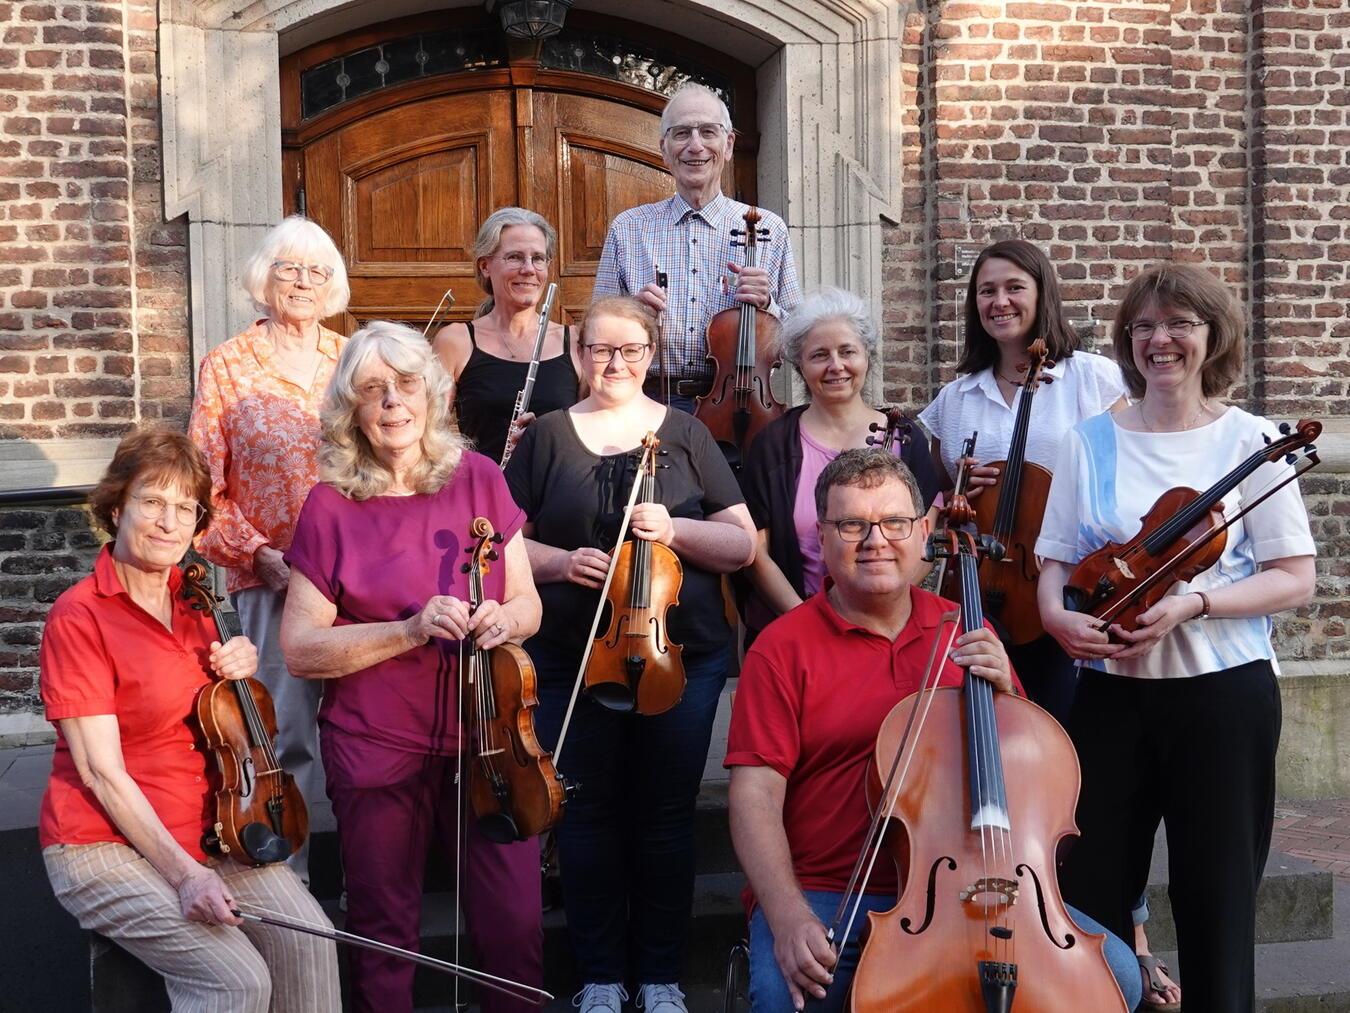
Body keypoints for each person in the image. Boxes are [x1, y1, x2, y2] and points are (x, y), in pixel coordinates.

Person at [726, 448, 1143, 1013]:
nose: (875, 540)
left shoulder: (967, 631)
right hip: (830, 894)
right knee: (785, 1001)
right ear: (822, 538)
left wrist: (1008, 693)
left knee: (1117, 975)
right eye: (851, 524)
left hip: (971, 884)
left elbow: (1030, 773)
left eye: (894, 522)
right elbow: (755, 795)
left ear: (924, 531)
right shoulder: (780, 649)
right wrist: (787, 914)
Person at [1037, 263, 1316, 1012]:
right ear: (1129, 342)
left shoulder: (1252, 442)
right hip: (1110, 700)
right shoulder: (1087, 440)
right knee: (1089, 896)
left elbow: (1295, 577)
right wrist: (1057, 618)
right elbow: (1056, 561)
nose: (1161, 340)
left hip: (1223, 700)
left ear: (1210, 335)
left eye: (1180, 324)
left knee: (1216, 901)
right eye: (1145, 327)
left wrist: (1195, 603)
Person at [279, 322, 545, 1013]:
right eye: (372, 390)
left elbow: (529, 604)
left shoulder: (479, 478)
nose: (391, 401)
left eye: (404, 384)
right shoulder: (330, 505)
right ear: (352, 410)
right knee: (384, 931)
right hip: (375, 741)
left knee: (513, 925)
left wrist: (502, 619)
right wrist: (407, 629)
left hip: (490, 742)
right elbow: (301, 647)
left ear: (430, 394)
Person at [505, 296, 756, 1012]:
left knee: (667, 813)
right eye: (600, 350)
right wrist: (559, 564)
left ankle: (663, 976)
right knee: (585, 813)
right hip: (572, 658)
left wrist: (675, 527)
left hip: (678, 657)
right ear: (579, 355)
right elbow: (501, 543)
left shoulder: (686, 433)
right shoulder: (549, 435)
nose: (614, 364)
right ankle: (602, 977)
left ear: (651, 355)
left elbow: (740, 542)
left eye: (630, 350)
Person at [38, 426, 340, 1012]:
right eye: (152, 501)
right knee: (234, 979)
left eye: (185, 508)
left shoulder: (199, 600)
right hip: (101, 841)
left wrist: (243, 669)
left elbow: (230, 727)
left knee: (313, 942)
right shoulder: (80, 617)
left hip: (210, 827)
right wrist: (186, 877)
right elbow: (101, 774)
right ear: (117, 505)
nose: (168, 521)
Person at [188, 215, 350, 882]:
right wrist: (259, 554)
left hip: (358, 582)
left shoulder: (352, 358)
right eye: (290, 269)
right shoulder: (227, 364)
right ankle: (293, 885)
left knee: (365, 736)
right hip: (273, 582)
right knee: (281, 737)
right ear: (264, 279)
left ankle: (372, 880)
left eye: (317, 271)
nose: (303, 282)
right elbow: (205, 490)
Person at [918, 238, 1127, 723]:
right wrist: (959, 494)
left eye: (1015, 287)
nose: (999, 301)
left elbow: (1125, 477)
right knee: (982, 721)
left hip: (1068, 579)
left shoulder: (1092, 378)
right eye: (986, 291)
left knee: (1067, 722)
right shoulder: (956, 397)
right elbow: (940, 496)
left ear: (1042, 293)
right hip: (983, 579)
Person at [741, 288, 942, 643]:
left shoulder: (906, 439)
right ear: (800, 366)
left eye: (847, 351)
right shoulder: (772, 444)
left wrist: (877, 605)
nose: (836, 366)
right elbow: (757, 553)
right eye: (819, 355)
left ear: (867, 356)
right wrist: (807, 621)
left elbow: (924, 541)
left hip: (886, 628)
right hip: (795, 628)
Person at [593, 83, 802, 412]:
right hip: (647, 403)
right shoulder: (627, 228)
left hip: (742, 406)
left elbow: (800, 344)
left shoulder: (768, 229)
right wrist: (630, 315)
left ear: (728, 144)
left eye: (708, 132)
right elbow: (596, 339)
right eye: (681, 134)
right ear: (664, 148)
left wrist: (768, 305)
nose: (695, 146)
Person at [433, 206, 580, 463]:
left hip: (557, 497)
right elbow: (430, 432)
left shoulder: (576, 341)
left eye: (538, 258)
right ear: (485, 266)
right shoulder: (455, 341)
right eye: (514, 257)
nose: (529, 269)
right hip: (484, 493)